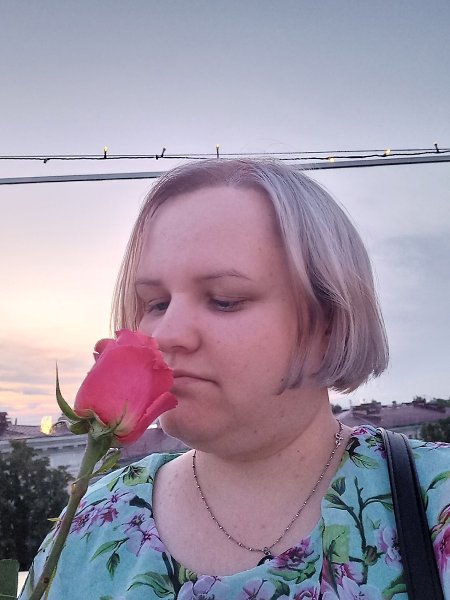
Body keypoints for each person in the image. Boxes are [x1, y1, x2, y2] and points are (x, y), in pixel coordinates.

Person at [21, 159, 449, 599]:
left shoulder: (435, 497)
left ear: (329, 321)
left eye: (225, 300)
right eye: (156, 303)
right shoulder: (91, 524)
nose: (166, 334)